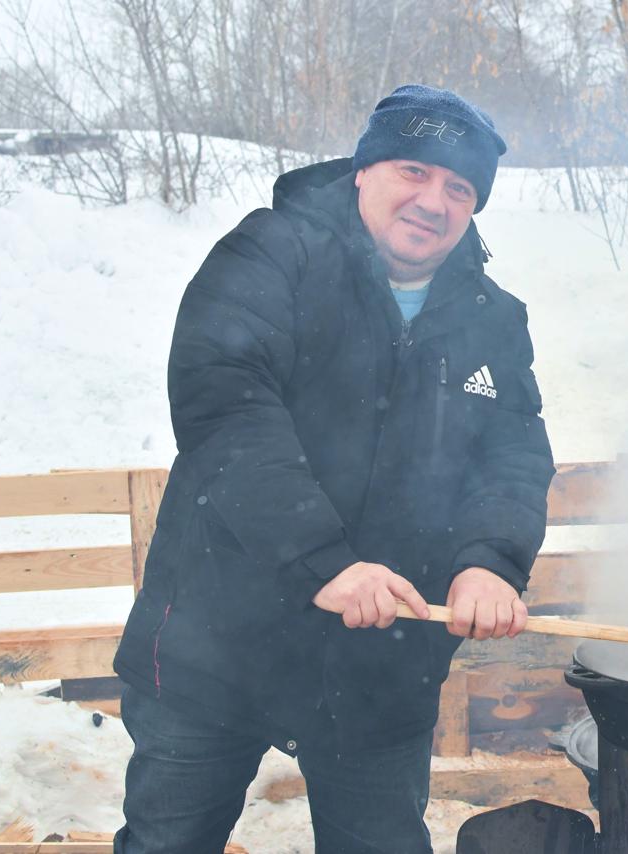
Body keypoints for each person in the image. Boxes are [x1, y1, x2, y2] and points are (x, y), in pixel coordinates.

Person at [111, 84, 556, 853]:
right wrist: (325, 560)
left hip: (382, 667)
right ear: (364, 169)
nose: (433, 201)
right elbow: (227, 407)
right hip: (219, 643)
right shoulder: (269, 254)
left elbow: (512, 449)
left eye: (460, 188)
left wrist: (489, 560)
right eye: (414, 171)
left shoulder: (492, 316)